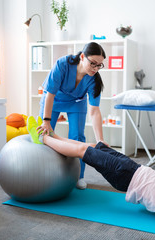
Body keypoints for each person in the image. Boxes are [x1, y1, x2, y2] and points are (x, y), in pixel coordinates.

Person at [27, 116, 155, 237]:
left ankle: (43, 139)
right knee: (95, 146)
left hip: (125, 176)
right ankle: (55, 136)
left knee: (82, 150)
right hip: (132, 168)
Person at [38, 42, 108, 189]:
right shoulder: (63, 64)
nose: (96, 69)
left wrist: (100, 140)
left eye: (99, 65)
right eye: (93, 64)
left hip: (76, 102)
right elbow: (50, 94)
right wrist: (46, 121)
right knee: (44, 135)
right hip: (54, 99)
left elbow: (94, 111)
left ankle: (78, 176)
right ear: (82, 57)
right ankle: (42, 172)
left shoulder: (94, 80)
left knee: (77, 137)